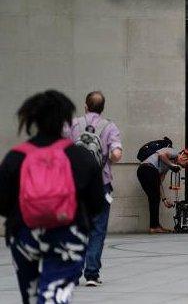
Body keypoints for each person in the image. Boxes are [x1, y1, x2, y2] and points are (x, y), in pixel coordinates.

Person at [0, 90, 104, 304]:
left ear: (32, 119)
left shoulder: (15, 157)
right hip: (68, 234)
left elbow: (2, 203)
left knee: (31, 295)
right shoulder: (81, 157)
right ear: (65, 120)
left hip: (24, 235)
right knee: (54, 295)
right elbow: (97, 204)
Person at [65, 91, 122, 287]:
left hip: (75, 185)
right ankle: (91, 274)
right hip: (101, 184)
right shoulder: (110, 126)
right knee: (97, 230)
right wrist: (112, 155)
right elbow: (116, 153)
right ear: (102, 107)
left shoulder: (73, 124)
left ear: (86, 106)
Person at [137, 146, 188, 233]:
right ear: (184, 157)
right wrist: (172, 165)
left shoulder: (167, 167)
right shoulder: (174, 152)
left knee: (154, 198)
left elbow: (159, 182)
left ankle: (155, 226)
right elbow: (161, 154)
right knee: (154, 198)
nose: (181, 166)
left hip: (142, 171)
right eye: (183, 165)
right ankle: (154, 226)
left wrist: (164, 200)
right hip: (148, 168)